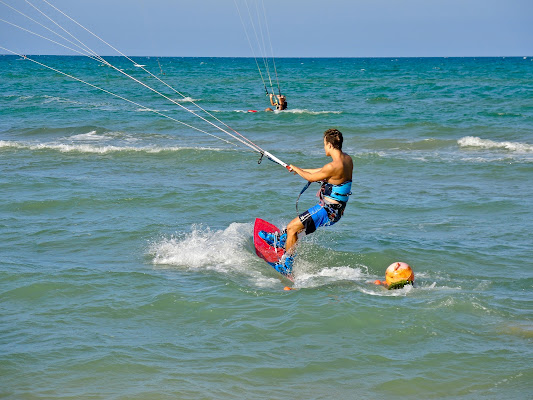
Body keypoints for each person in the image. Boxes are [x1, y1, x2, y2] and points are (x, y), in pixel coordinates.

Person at [259, 129, 353, 274]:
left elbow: (312, 177)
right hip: (335, 210)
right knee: (295, 228)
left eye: (324, 144)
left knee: (292, 228)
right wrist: (298, 169)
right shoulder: (347, 160)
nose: (324, 148)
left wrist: (299, 170)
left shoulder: (333, 166)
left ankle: (286, 265)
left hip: (328, 210)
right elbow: (321, 171)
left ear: (329, 144)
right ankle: (281, 240)